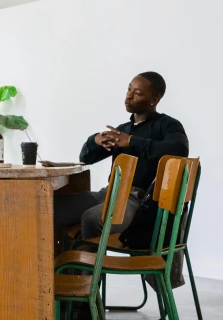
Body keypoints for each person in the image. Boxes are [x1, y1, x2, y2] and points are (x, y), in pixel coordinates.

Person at [54, 72, 189, 239]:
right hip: (109, 193)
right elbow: (86, 159)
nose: (129, 96)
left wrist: (132, 141)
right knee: (51, 208)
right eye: (129, 89)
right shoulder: (122, 129)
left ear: (154, 100)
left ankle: (89, 265)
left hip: (139, 200)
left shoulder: (168, 125)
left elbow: (179, 150)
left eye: (138, 93)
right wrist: (96, 140)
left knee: (92, 218)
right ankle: (61, 264)